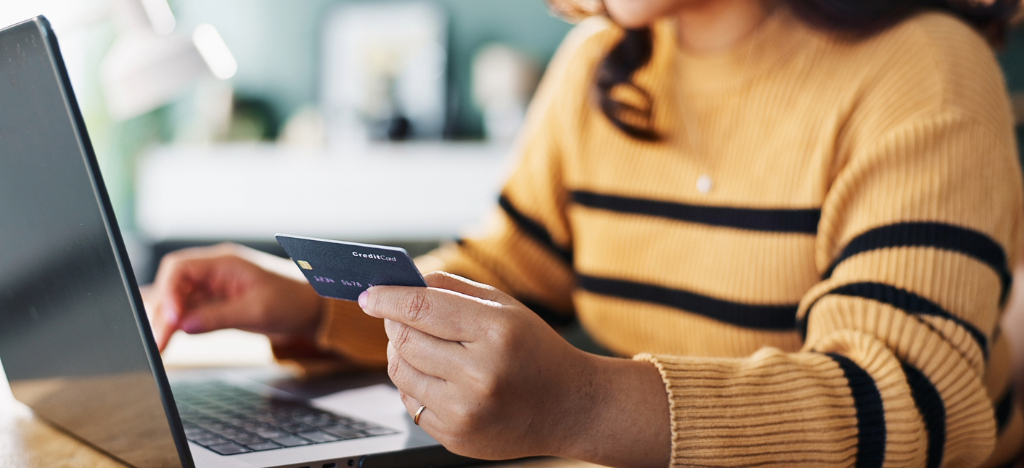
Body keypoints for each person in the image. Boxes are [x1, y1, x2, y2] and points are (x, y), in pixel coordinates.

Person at [145, 0, 1024, 466]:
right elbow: (503, 269)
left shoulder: (925, 71)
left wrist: (583, 402)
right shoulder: (601, 66)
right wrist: (311, 304)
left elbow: (917, 409)